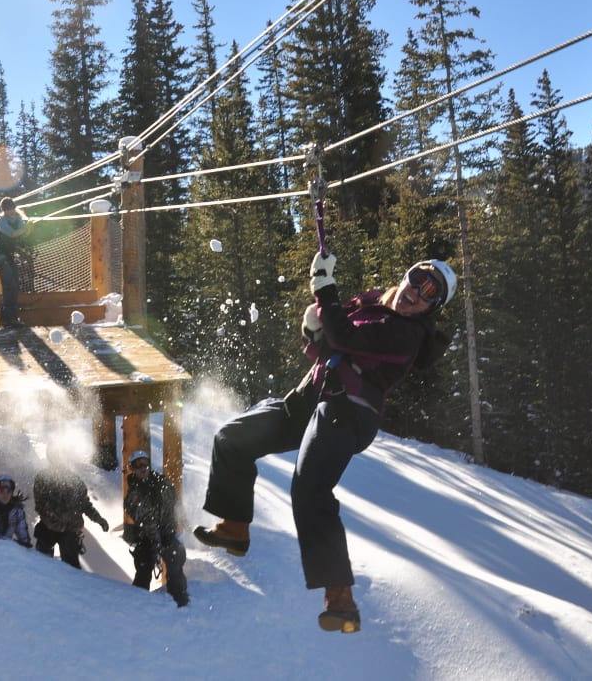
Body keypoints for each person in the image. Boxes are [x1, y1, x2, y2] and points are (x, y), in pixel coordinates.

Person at [193, 255, 456, 634]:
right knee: (232, 438)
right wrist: (314, 323)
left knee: (310, 489)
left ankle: (341, 599)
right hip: (308, 398)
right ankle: (234, 527)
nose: (416, 293)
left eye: (430, 294)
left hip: (347, 409)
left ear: (432, 309)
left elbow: (345, 337)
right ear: (406, 276)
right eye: (417, 280)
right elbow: (328, 336)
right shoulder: (371, 304)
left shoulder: (407, 334)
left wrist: (325, 288)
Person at [123, 450, 189, 608]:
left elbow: (175, 502)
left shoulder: (161, 483)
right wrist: (155, 543)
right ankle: (138, 606)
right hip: (146, 539)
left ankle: (180, 602)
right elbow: (147, 520)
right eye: (138, 465)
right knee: (144, 570)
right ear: (132, 468)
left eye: (145, 463)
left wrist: (184, 520)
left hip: (166, 533)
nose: (142, 468)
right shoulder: (133, 495)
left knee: (175, 561)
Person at [32, 451, 109, 568]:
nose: (58, 460)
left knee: (72, 569)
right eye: (54, 456)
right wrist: (52, 516)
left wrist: (99, 520)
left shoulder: (75, 481)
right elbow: (39, 504)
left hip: (70, 530)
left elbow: (85, 505)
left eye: (60, 456)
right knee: (41, 565)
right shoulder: (42, 478)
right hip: (48, 528)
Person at [0, 197, 30, 328]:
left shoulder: (18, 219)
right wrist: (25, 229)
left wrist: (28, 228)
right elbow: (13, 234)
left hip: (10, 256)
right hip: (0, 256)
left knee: (15, 287)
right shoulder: (1, 221)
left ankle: (12, 317)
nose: (11, 211)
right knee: (9, 286)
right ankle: (9, 318)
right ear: (4, 211)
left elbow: (23, 233)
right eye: (7, 210)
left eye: (12, 208)